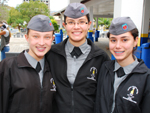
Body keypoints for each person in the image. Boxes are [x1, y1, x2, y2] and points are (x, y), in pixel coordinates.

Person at [46, 2, 110, 113]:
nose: (76, 27)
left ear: (88, 24)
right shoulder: (52, 54)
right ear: (65, 25)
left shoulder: (101, 57)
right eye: (71, 22)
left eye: (81, 22)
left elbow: (105, 95)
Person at [0, 15, 56, 113]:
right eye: (35, 36)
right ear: (27, 37)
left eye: (47, 37)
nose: (41, 43)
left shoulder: (54, 67)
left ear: (52, 39)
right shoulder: (8, 66)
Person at [95, 17, 150, 113]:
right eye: (113, 40)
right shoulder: (104, 68)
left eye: (124, 40)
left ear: (135, 41)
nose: (118, 46)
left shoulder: (146, 78)